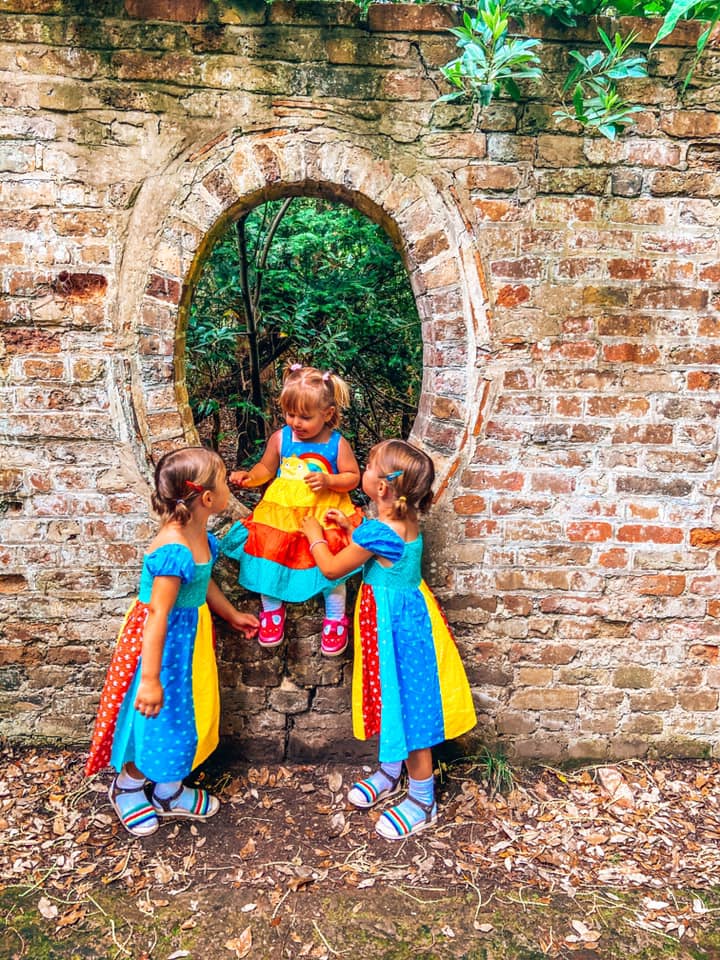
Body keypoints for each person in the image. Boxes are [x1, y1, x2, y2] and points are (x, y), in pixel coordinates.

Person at [301, 439, 477, 840]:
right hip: (406, 623)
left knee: (410, 707)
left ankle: (421, 798)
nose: (361, 469)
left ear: (382, 489)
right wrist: (352, 529)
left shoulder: (380, 532)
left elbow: (331, 569)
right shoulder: (403, 519)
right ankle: (391, 768)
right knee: (390, 697)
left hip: (396, 629)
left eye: (367, 466)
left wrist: (314, 535)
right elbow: (381, 549)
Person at [85, 447, 259, 838]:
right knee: (157, 720)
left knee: (186, 717)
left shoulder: (198, 534)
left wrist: (229, 613)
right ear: (209, 499)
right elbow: (158, 614)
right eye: (224, 477)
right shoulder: (173, 548)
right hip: (160, 649)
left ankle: (168, 791)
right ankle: (128, 785)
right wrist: (149, 679)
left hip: (187, 645)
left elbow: (202, 582)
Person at [223, 364, 363, 656]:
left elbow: (352, 477)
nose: (296, 422)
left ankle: (336, 617)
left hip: (321, 513)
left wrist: (329, 480)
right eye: (290, 414)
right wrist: (250, 478)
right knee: (267, 552)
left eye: (305, 416)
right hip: (282, 516)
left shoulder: (337, 444)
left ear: (327, 414)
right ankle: (272, 610)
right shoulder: (282, 438)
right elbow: (266, 468)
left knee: (332, 557)